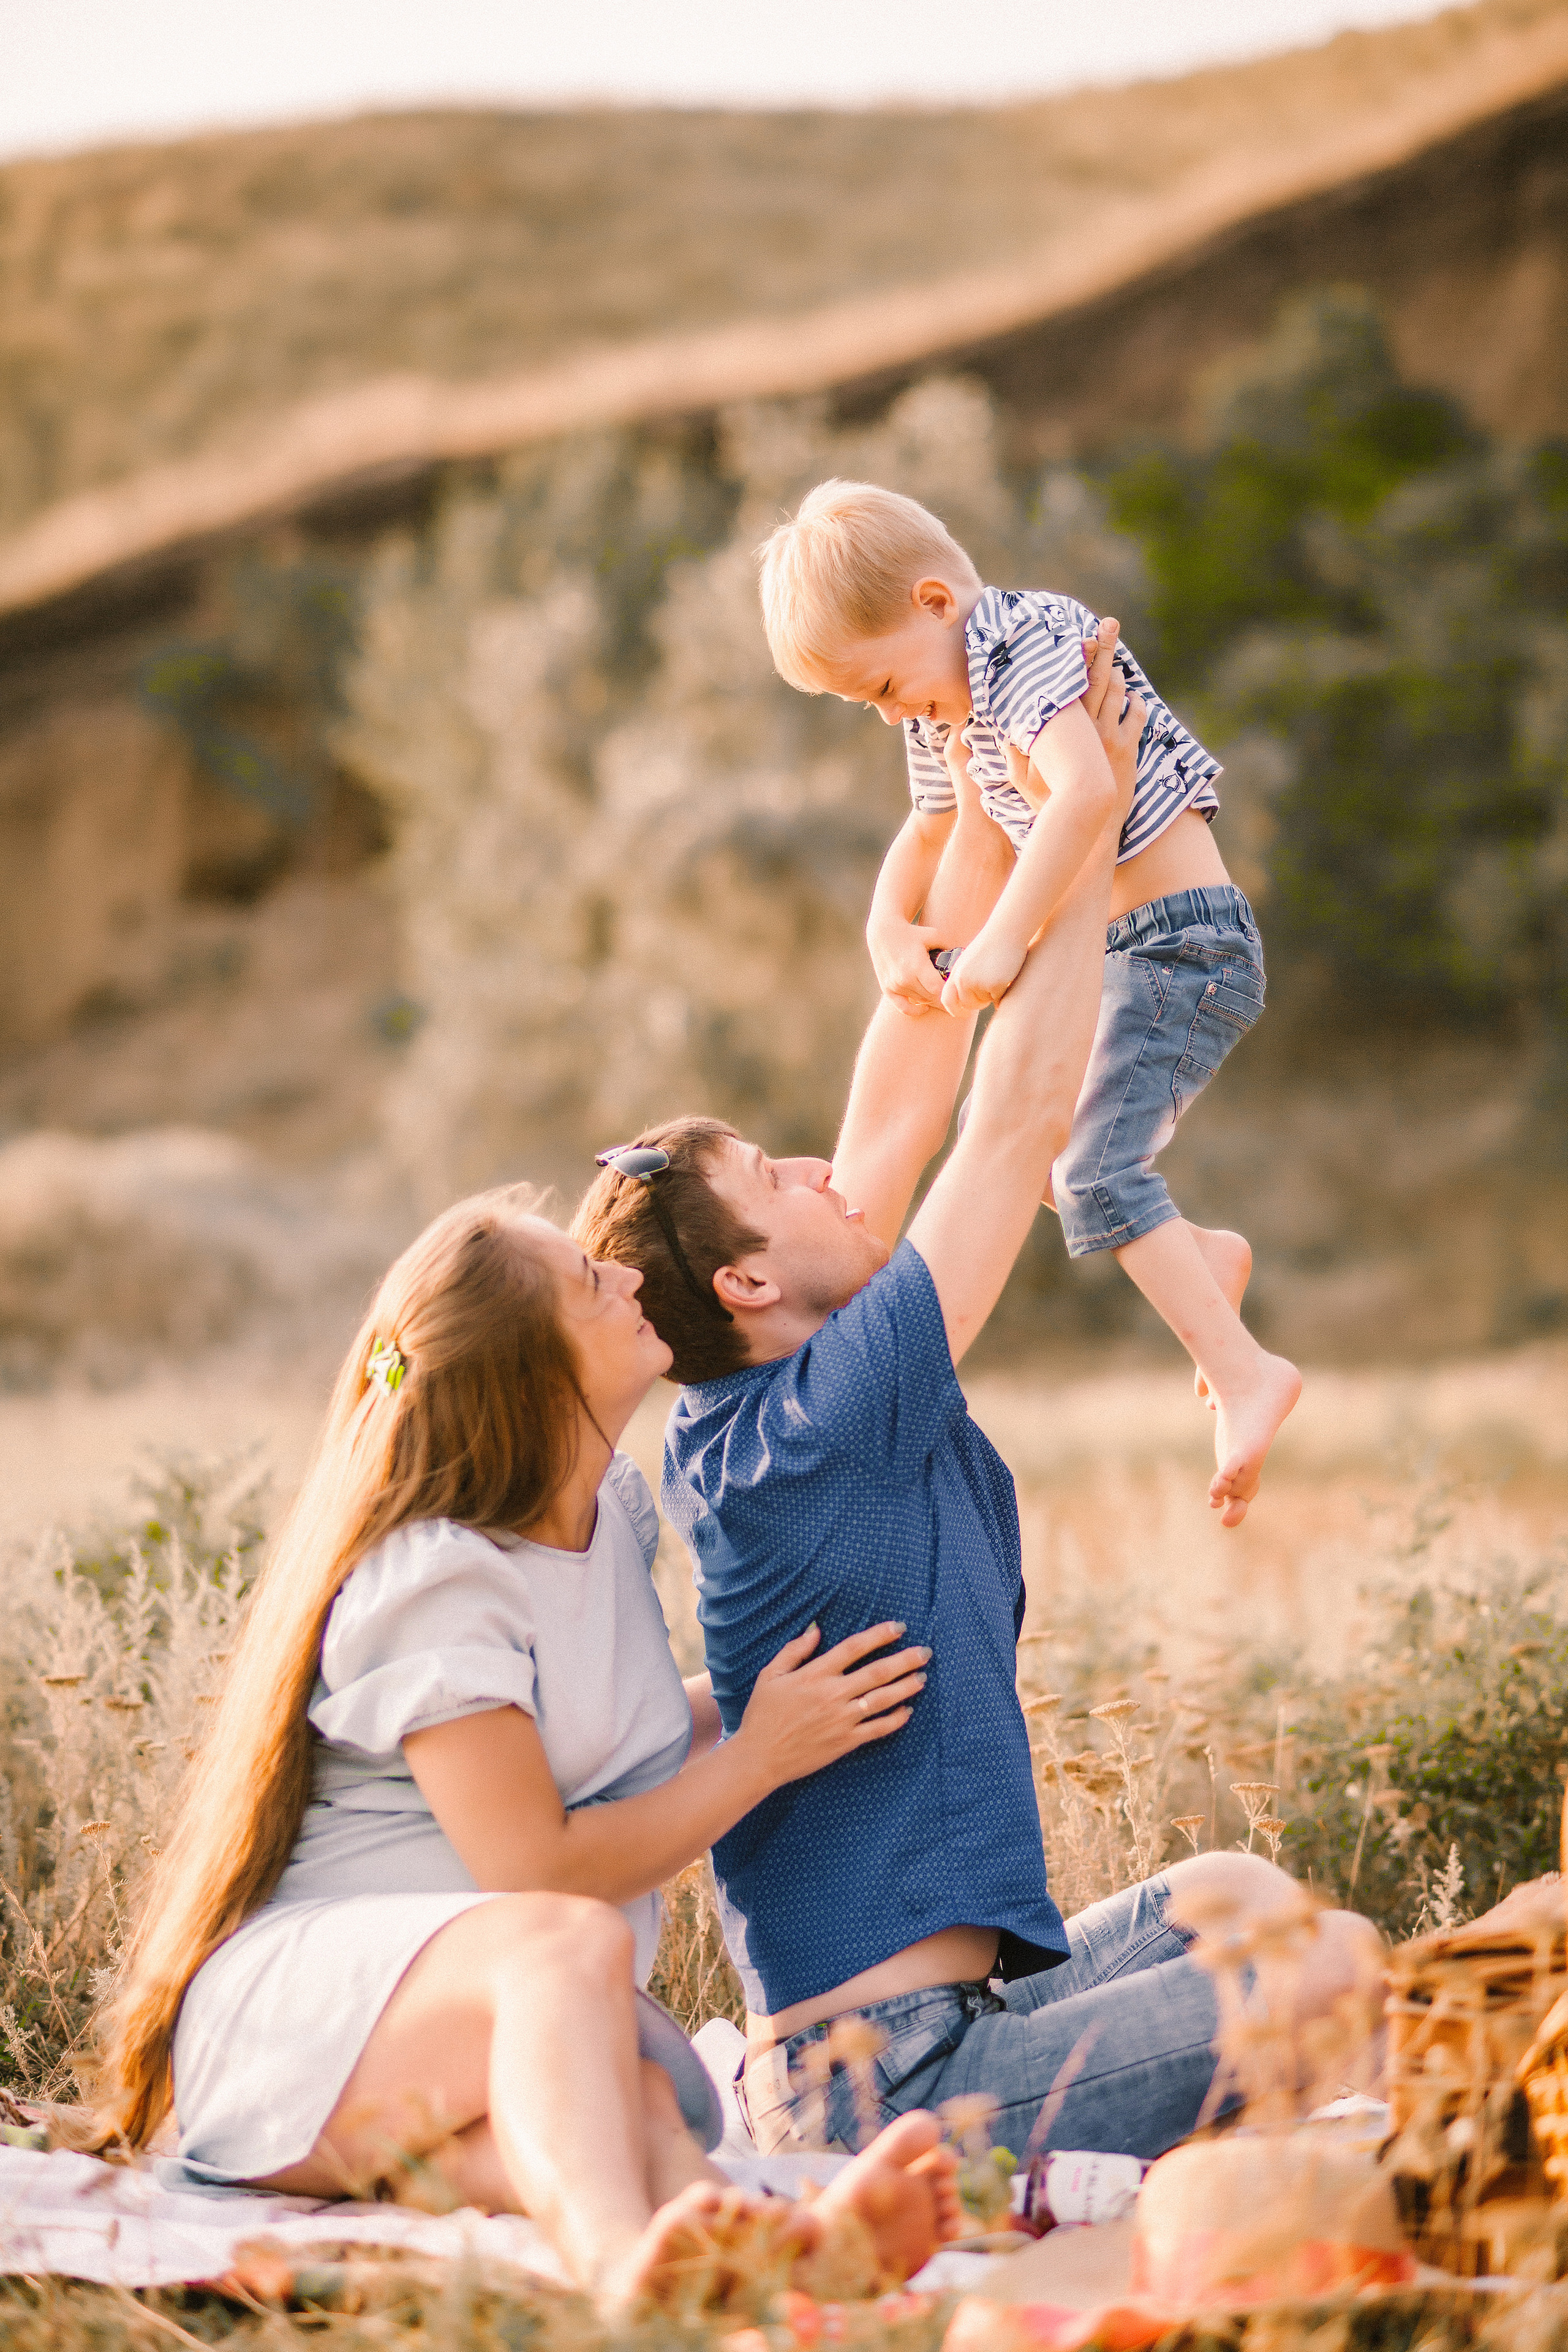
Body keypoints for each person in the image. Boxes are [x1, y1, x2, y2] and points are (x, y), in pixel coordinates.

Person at [575, 633, 1379, 2160]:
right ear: (744, 1280)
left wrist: (962, 804)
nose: (815, 1167)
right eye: (771, 1177)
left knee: (1239, 1898)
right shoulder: (818, 1422)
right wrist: (1081, 832)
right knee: (1325, 1976)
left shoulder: (770, 1384)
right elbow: (1008, 1122)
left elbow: (909, 1081)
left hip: (954, 2020)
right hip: (883, 2085)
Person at [90, 1188, 962, 2310]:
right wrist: (760, 1757)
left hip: (429, 2063)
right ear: (534, 1374)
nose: (630, 1275)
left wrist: (778, 1705)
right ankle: (621, 2273)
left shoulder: (609, 1517)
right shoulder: (437, 1577)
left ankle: (764, 2262)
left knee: (637, 2111)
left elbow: (608, 1746)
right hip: (302, 2033)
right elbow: (536, 1869)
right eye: (593, 1283)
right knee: (566, 1941)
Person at [756, 478, 1301, 1528]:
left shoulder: (1026, 643)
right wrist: (887, 924)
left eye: (884, 686)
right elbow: (930, 828)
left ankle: (1246, 1373)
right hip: (1120, 955)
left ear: (933, 602)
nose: (891, 713)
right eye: (868, 706)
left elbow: (1087, 792)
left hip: (1184, 947)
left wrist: (1006, 935)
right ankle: (1203, 1256)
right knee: (1023, 1154)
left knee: (1089, 1171)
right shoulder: (944, 699)